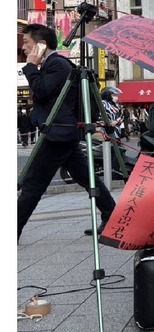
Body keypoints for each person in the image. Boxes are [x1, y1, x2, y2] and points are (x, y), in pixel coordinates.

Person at [18, 24, 116, 240]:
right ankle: (111, 215)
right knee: (87, 177)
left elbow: (42, 91)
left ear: (41, 44)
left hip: (57, 134)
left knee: (33, 184)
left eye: (26, 43)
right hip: (62, 133)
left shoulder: (58, 64)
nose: (23, 48)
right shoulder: (53, 64)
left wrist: (30, 66)